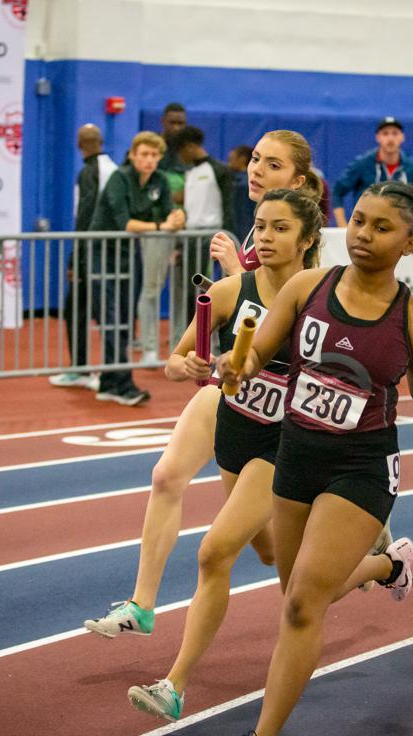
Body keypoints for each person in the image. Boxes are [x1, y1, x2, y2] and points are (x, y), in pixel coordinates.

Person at [126, 188, 411, 723]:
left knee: (213, 553)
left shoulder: (322, 299)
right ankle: (387, 564)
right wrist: (184, 367)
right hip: (236, 438)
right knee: (281, 564)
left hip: (282, 448)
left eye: (280, 228)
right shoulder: (234, 289)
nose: (265, 238)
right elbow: (177, 359)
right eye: (259, 227)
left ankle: (174, 683)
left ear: (308, 239)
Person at [221, 182, 413, 736]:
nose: (362, 236)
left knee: (303, 602)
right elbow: (257, 354)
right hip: (297, 454)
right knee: (297, 593)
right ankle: (382, 567)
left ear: (411, 242)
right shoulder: (308, 287)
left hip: (363, 465)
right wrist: (239, 364)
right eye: (357, 221)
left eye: (381, 228)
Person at [83, 130, 325, 640]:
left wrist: (236, 272)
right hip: (229, 388)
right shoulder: (252, 227)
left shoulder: (302, 241)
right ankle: (141, 605)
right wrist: (189, 362)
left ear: (298, 181)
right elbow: (192, 347)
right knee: (166, 476)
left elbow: (280, 315)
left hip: (278, 409)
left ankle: (358, 552)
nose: (256, 169)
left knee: (265, 550)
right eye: (255, 158)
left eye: (272, 164)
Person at [89, 131, 184, 405]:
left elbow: (169, 212)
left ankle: (109, 382)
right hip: (102, 253)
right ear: (133, 155)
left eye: (154, 155)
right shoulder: (120, 178)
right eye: (144, 154)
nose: (149, 160)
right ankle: (122, 383)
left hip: (131, 254)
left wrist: (177, 217)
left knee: (125, 318)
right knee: (111, 318)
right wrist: (161, 227)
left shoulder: (160, 180)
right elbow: (124, 222)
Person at [50, 124, 118, 390]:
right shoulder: (111, 167)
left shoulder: (89, 172)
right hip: (108, 255)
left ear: (80, 145)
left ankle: (91, 371)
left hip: (92, 255)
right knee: (104, 314)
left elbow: (85, 216)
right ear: (101, 141)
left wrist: (75, 261)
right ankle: (104, 372)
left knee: (82, 311)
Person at [168, 125, 235, 335]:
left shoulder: (219, 170)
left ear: (189, 147)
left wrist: (227, 238)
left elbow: (228, 206)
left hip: (212, 237)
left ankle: (214, 336)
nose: (180, 156)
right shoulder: (190, 173)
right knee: (190, 290)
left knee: (214, 289)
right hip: (190, 238)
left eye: (180, 151)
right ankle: (194, 336)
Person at [331, 116, 413, 228]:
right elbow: (337, 192)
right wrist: (342, 226)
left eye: (395, 133)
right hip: (365, 228)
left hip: (400, 229)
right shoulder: (362, 163)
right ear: (378, 137)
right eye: (385, 133)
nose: (390, 138)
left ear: (402, 137)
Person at [228, 144, 256, 246]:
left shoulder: (240, 184)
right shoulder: (252, 182)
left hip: (243, 232)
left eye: (231, 160)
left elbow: (243, 214)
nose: (229, 164)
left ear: (243, 159)